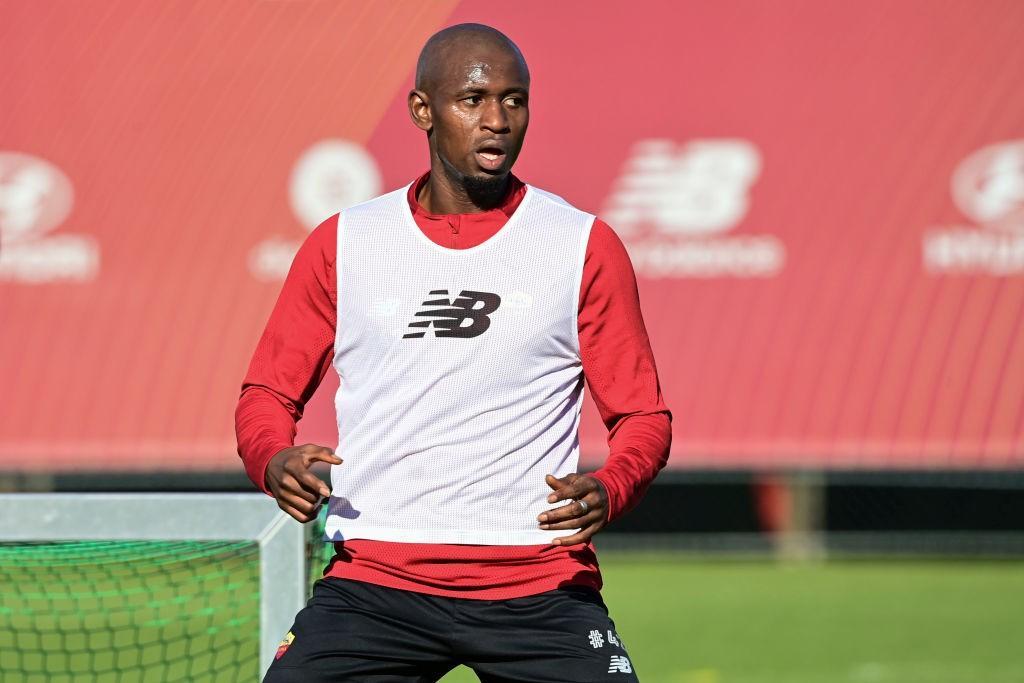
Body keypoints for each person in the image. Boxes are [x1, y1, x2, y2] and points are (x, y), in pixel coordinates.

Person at [236, 23, 671, 682]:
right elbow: (266, 393)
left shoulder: (581, 243)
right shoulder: (346, 242)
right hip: (374, 586)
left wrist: (612, 486)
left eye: (514, 100)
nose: (497, 119)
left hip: (540, 585)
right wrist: (271, 456)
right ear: (422, 110)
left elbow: (643, 415)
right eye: (473, 100)